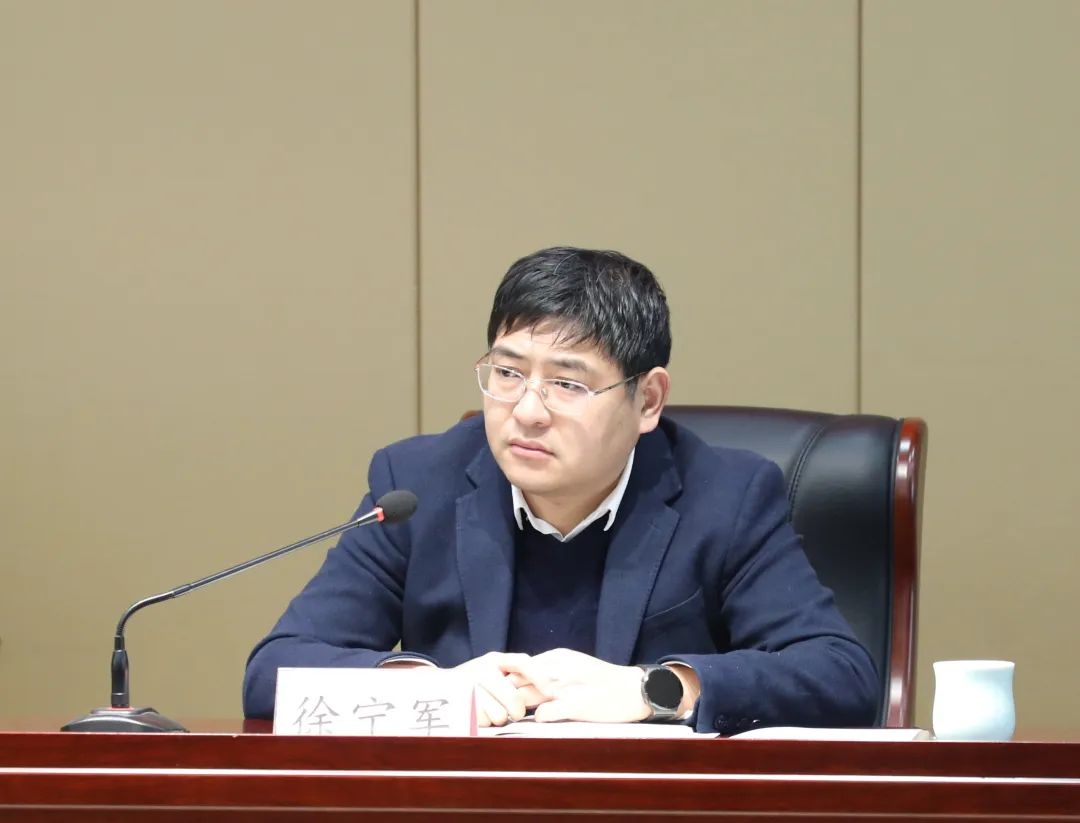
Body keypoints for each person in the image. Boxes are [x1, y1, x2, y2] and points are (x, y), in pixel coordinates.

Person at [243, 247, 877, 734]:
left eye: (568, 384)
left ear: (647, 399)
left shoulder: (726, 497)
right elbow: (275, 670)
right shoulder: (416, 485)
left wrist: (654, 689)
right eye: (507, 373)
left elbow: (841, 675)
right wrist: (428, 687)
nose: (526, 411)